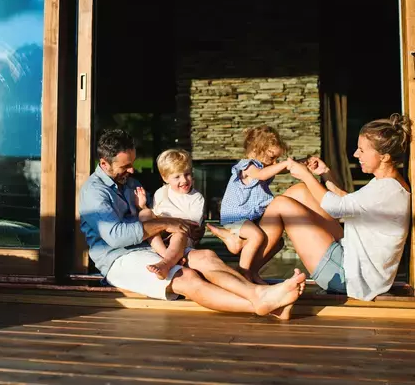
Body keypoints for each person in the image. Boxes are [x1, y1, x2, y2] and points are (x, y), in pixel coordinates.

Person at [79, 129, 306, 318]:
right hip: (118, 258)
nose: (132, 170)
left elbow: (152, 215)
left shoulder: (129, 182)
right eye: (125, 166)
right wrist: (169, 224)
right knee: (186, 277)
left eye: (132, 163)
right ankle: (264, 305)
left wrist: (186, 231)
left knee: (206, 256)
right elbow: (117, 236)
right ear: (104, 163)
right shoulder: (94, 192)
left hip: (149, 247)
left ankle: (260, 294)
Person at [252, 114, 412, 300]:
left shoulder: (386, 191)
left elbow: (338, 208)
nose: (355, 155)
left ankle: (247, 266)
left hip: (350, 278)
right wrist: (325, 173)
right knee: (299, 192)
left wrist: (306, 175)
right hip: (351, 258)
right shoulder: (386, 183)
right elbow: (348, 202)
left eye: (361, 150)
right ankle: (254, 257)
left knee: (281, 204)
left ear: (384, 157)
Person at [207, 125, 290, 285]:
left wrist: (302, 163)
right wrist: (284, 164)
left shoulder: (265, 166)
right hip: (236, 216)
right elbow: (261, 174)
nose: (274, 162)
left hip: (250, 217)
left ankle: (251, 269)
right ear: (255, 150)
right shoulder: (248, 165)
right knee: (256, 236)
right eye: (272, 157)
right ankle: (243, 274)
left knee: (277, 242)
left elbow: (281, 170)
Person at [134, 149, 205, 280]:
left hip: (183, 237)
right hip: (161, 238)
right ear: (165, 178)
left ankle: (166, 264)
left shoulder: (196, 198)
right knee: (145, 213)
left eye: (187, 174)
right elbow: (155, 217)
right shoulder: (161, 193)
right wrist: (143, 206)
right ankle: (167, 255)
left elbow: (191, 226)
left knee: (179, 234)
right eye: (177, 177)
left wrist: (165, 222)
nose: (184, 180)